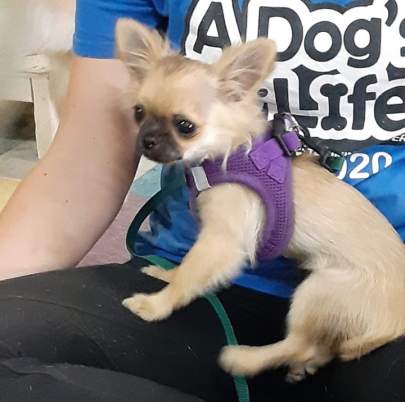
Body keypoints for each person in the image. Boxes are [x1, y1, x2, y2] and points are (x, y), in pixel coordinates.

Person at [0, 0, 404, 401]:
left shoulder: (241, 169)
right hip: (198, 281)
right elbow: (82, 165)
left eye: (184, 126)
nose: (153, 135)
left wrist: (167, 301)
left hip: (374, 287)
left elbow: (223, 246)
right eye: (142, 113)